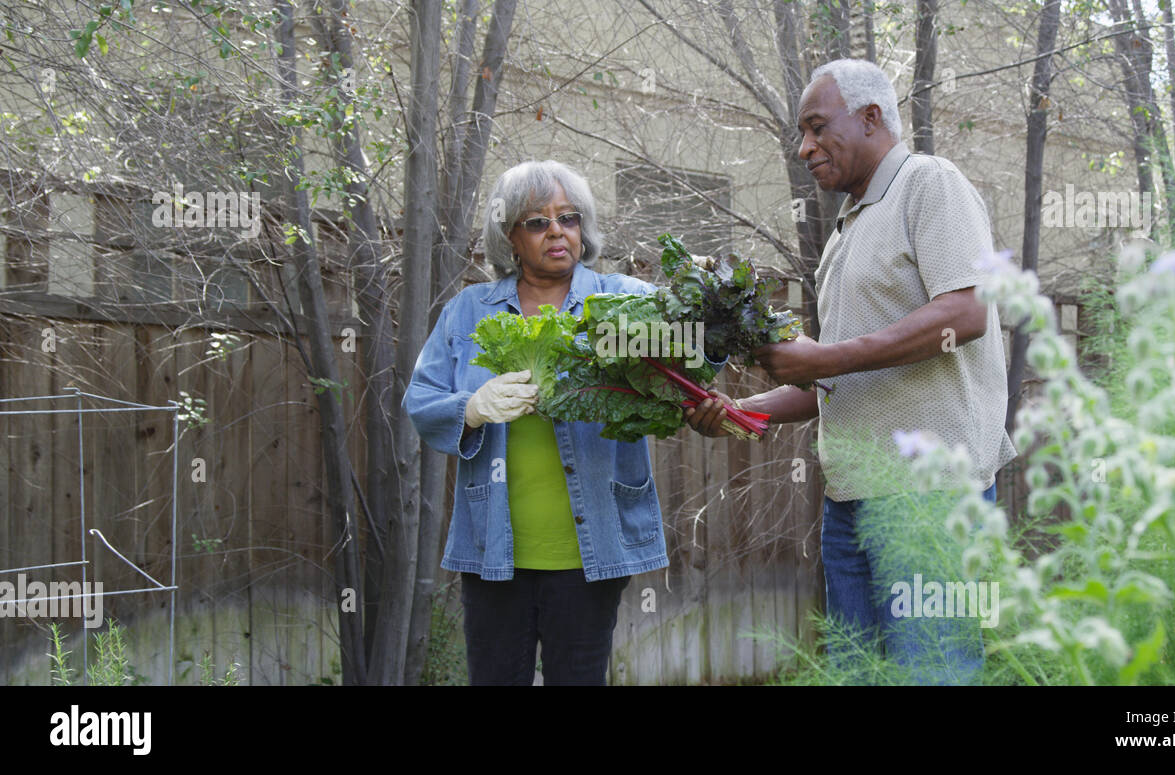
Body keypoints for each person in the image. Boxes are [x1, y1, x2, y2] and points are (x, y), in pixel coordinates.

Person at [686, 59, 1017, 684]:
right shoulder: (843, 235)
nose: (804, 148)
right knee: (855, 674)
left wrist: (826, 357)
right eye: (801, 134)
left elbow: (970, 310)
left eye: (816, 128)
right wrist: (738, 414)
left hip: (931, 502)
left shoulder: (929, 183)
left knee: (933, 674)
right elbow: (843, 381)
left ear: (871, 118)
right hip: (851, 503)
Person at [402, 160, 667, 686]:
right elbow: (421, 399)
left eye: (568, 218)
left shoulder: (624, 301)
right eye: (537, 222)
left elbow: (701, 354)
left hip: (591, 548)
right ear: (509, 237)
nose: (557, 232)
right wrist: (471, 408)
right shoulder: (468, 312)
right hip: (493, 548)